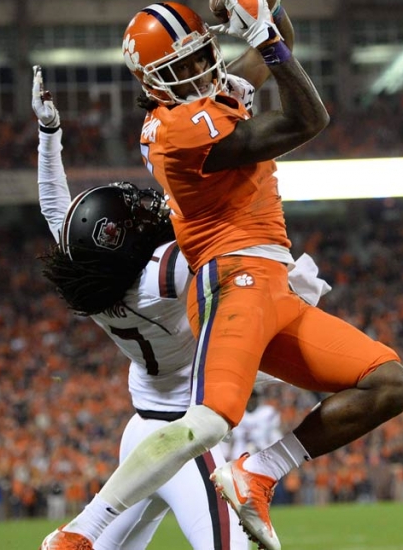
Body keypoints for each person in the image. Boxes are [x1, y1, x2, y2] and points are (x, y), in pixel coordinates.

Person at [42, 0, 403, 550]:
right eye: (178, 68)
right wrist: (261, 35)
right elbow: (308, 118)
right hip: (231, 277)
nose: (195, 73)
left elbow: (279, 50)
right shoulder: (177, 131)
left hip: (270, 281)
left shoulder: (203, 102)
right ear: (149, 83)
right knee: (210, 423)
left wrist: (270, 5)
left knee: (389, 385)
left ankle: (259, 472)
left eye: (198, 58)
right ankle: (80, 533)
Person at [33, 62, 329, 549]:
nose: (143, 211)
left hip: (141, 432)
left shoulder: (90, 277)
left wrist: (49, 134)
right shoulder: (164, 272)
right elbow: (214, 217)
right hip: (184, 440)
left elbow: (53, 208)